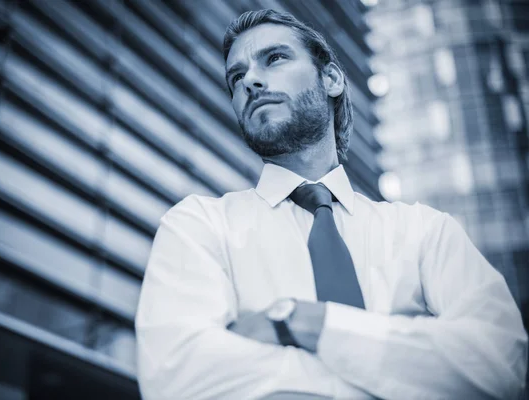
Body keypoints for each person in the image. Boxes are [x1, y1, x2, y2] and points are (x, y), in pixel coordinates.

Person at [135, 9, 528, 400]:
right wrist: (407, 367)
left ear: (332, 79)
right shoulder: (198, 225)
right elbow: (177, 377)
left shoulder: (425, 230)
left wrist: (304, 323)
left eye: (275, 58)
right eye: (236, 77)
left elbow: (503, 362)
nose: (250, 81)